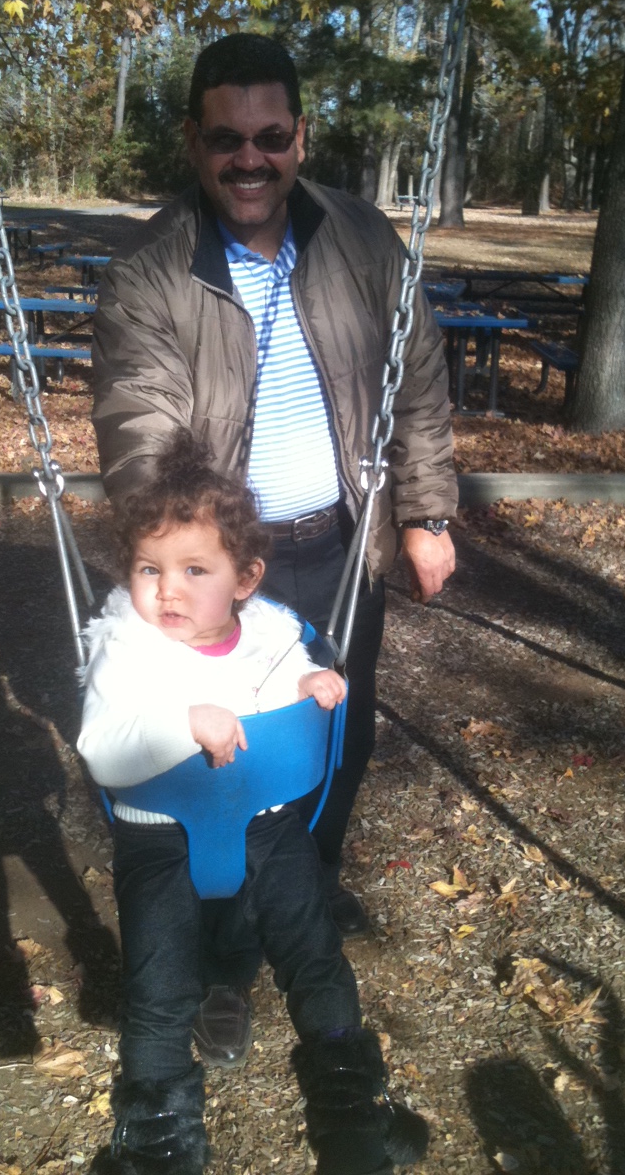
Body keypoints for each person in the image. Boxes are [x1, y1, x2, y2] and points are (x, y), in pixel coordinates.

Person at [91, 31, 458, 1066]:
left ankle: (292, 909)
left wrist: (427, 514)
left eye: (268, 137)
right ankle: (224, 963)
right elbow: (141, 432)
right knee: (227, 768)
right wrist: (193, 576)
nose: (248, 159)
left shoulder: (359, 238)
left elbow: (417, 374)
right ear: (194, 142)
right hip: (228, 580)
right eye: (226, 139)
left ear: (299, 135)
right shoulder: (153, 273)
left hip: (343, 550)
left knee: (336, 746)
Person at [78, 429, 429, 1175]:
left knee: (316, 958)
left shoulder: (271, 630)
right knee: (160, 993)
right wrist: (182, 724)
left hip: (269, 831)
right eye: (148, 568)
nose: (166, 590)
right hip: (160, 840)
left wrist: (309, 685)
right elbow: (102, 749)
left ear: (245, 578)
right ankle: (158, 1145)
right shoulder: (125, 646)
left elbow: (284, 679)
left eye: (193, 570)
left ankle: (349, 1111)